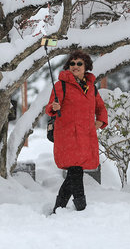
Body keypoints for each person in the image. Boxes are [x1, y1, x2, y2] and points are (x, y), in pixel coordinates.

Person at [45, 50, 108, 212]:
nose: (75, 66)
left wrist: (100, 121)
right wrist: (54, 107)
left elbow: (100, 107)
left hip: (85, 135)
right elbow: (50, 106)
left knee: (75, 171)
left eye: (79, 63)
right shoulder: (61, 85)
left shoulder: (91, 88)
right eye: (72, 63)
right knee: (75, 170)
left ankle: (59, 207)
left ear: (86, 66)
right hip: (67, 134)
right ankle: (81, 207)